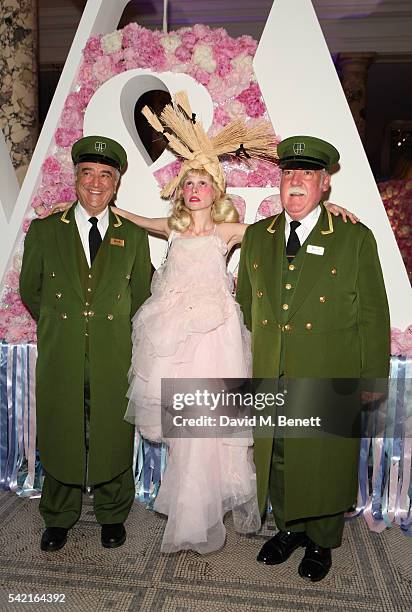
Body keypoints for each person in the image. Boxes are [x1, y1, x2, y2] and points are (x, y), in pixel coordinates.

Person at [111, 95, 357, 554]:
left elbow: (279, 223)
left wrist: (333, 212)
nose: (197, 189)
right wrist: (107, 206)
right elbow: (133, 217)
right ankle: (190, 507)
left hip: (216, 338)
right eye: (190, 183)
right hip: (173, 339)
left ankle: (216, 507)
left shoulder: (230, 232)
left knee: (215, 426)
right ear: (182, 189)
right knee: (186, 427)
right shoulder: (173, 227)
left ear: (217, 191)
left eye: (205, 183)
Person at [236, 135, 390, 581]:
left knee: (322, 457)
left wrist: (371, 381)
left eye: (306, 175)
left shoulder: (353, 237)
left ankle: (321, 540)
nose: (296, 182)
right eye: (288, 174)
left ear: (324, 185)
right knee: (280, 454)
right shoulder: (256, 235)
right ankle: (289, 528)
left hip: (329, 367)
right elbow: (246, 305)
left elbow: (373, 316)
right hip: (273, 369)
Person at [19, 136, 152, 552]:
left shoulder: (131, 235)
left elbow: (141, 295)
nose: (96, 182)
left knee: (114, 429)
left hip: (114, 352)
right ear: (75, 178)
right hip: (63, 349)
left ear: (116, 184)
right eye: (88, 173)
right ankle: (58, 516)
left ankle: (113, 513)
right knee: (61, 429)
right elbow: (32, 290)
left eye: (106, 175)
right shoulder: (44, 230)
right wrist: (67, 324)